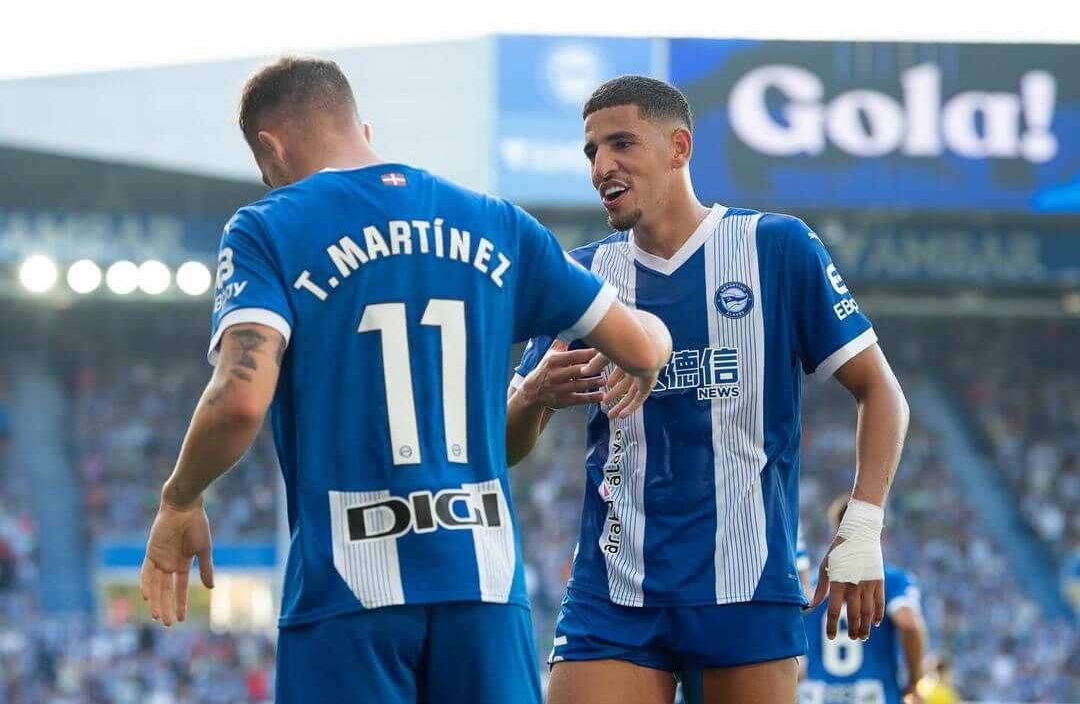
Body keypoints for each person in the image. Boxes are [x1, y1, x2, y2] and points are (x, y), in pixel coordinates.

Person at [139, 57, 672, 704]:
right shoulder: (499, 223)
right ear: (360, 126)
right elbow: (643, 342)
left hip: (348, 589)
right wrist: (645, 357)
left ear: (271, 148)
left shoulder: (268, 227)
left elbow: (240, 400)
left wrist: (180, 500)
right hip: (483, 587)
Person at [506, 75, 910, 704]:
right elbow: (503, 445)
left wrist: (861, 528)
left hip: (746, 587)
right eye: (591, 152)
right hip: (614, 592)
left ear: (679, 147)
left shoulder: (775, 247)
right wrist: (533, 395)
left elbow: (880, 390)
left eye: (620, 144)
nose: (601, 167)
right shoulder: (581, 275)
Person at [801, 496, 927, 704]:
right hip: (873, 695)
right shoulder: (892, 580)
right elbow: (910, 624)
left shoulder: (811, 585)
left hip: (816, 696)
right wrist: (914, 679)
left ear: (834, 534)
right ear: (879, 534)